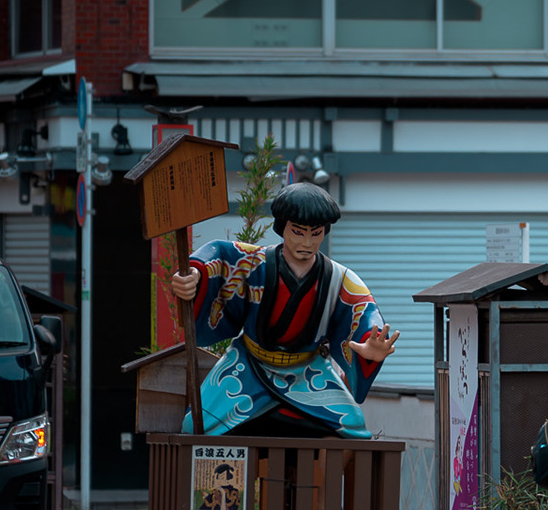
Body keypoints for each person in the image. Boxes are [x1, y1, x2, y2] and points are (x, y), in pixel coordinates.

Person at [168, 182, 395, 438]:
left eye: (316, 233)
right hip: (248, 365)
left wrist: (370, 347)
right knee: (195, 426)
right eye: (298, 232)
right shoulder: (252, 262)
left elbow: (363, 311)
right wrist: (195, 276)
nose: (307, 242)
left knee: (353, 427)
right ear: (282, 228)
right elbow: (217, 258)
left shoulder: (340, 279)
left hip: (308, 373)